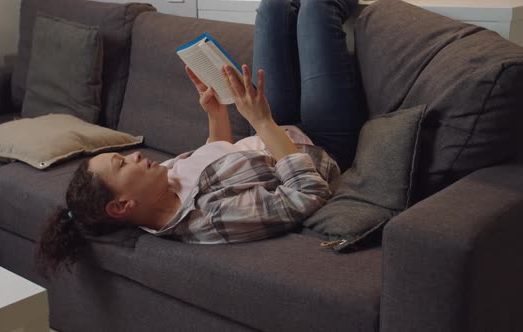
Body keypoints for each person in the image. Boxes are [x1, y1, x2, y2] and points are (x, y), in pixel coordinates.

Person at [35, 0, 363, 278]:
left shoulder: (159, 182)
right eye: (122, 163)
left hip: (272, 127)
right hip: (320, 145)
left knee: (272, 7)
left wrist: (215, 113)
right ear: (122, 205)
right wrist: (261, 121)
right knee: (317, 8)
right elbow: (308, 193)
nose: (134, 156)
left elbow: (217, 155)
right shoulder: (209, 221)